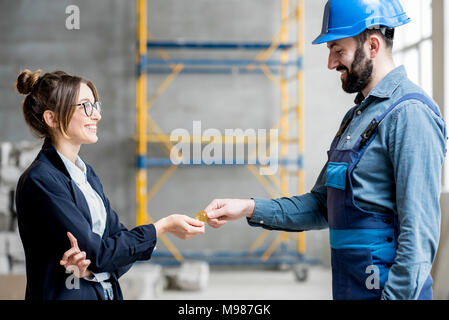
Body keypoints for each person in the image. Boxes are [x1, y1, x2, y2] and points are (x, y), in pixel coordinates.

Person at [204, 0, 447, 300]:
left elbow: (419, 238)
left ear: (372, 46)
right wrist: (249, 207)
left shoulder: (410, 114)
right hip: (350, 287)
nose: (330, 63)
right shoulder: (356, 118)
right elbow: (322, 205)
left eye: (337, 50)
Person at [15, 69, 205, 300]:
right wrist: (161, 227)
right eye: (85, 106)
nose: (96, 115)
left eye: (96, 105)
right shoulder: (41, 180)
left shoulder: (87, 175)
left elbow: (114, 249)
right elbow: (102, 253)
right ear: (52, 118)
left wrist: (96, 265)